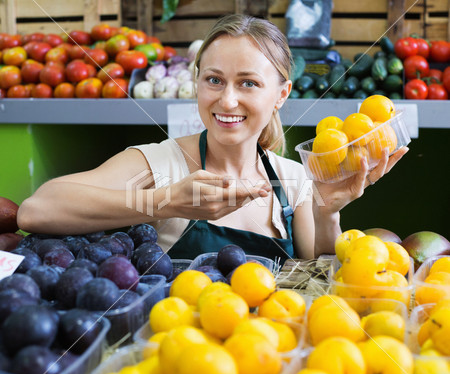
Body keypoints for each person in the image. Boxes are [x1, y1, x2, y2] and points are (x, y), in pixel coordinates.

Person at [17, 14, 408, 262]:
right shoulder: (159, 164)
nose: (227, 99)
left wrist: (328, 211)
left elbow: (314, 271)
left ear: (282, 94)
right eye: (214, 80)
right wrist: (164, 200)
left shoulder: (294, 178)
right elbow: (37, 209)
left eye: (248, 83)